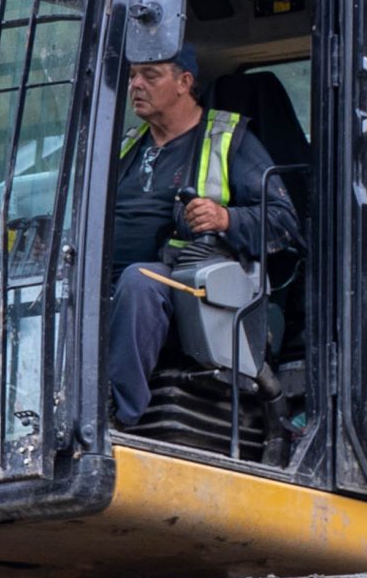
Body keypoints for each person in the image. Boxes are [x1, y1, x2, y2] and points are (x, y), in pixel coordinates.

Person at [104, 45, 301, 429]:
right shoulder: (129, 144)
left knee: (139, 283)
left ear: (184, 82)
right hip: (112, 285)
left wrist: (225, 218)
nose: (135, 85)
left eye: (150, 75)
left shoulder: (229, 139)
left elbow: (284, 223)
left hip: (188, 294)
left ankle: (114, 419)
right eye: (131, 77)